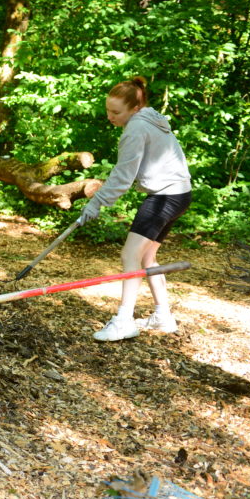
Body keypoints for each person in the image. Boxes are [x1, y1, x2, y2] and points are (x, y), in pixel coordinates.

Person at [77, 77, 192, 342]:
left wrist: (96, 203)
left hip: (166, 196)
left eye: (116, 112)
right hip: (179, 193)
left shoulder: (136, 128)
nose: (110, 116)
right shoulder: (150, 120)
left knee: (130, 255)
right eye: (108, 110)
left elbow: (123, 175)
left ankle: (124, 321)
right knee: (147, 257)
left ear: (135, 108)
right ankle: (163, 316)